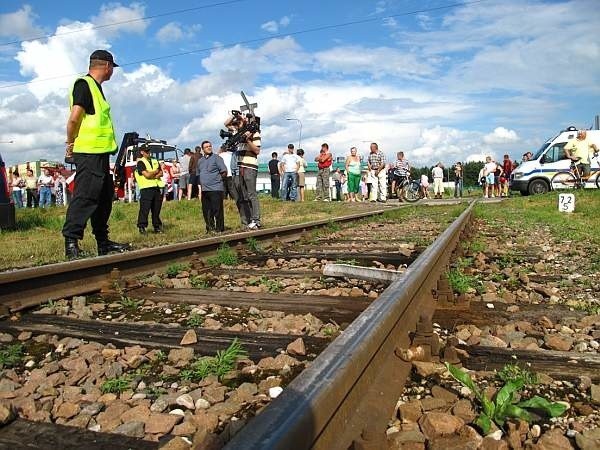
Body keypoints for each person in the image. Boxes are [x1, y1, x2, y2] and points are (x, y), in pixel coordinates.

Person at [62, 49, 130, 258]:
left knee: (103, 197)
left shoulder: (96, 88)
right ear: (107, 66)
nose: (112, 72)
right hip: (88, 151)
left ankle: (103, 242)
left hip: (100, 153)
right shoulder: (84, 84)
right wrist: (70, 144)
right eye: (112, 69)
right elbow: (74, 118)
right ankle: (71, 242)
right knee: (85, 195)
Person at [226, 112, 261, 229]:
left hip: (250, 166)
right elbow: (227, 124)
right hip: (240, 166)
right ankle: (250, 219)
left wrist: (247, 140)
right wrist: (235, 115)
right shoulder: (240, 133)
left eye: (243, 120)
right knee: (244, 195)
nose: (241, 121)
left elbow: (256, 150)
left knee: (252, 194)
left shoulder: (254, 133)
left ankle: (256, 220)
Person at [197, 140, 227, 233]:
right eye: (206, 147)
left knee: (217, 210)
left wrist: (217, 180)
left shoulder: (217, 158)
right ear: (202, 149)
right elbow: (198, 175)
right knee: (206, 211)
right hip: (205, 190)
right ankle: (210, 228)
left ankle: (219, 228)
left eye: (210, 146)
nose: (209, 148)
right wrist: (199, 189)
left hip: (216, 189)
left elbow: (224, 171)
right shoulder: (200, 161)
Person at [135, 144, 164, 234]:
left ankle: (157, 227)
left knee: (156, 209)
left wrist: (153, 175)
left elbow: (161, 173)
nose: (149, 153)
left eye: (149, 151)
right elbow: (146, 175)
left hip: (156, 187)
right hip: (146, 188)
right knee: (145, 209)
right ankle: (142, 227)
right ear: (142, 152)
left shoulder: (155, 160)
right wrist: (155, 172)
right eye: (146, 151)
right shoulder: (140, 162)